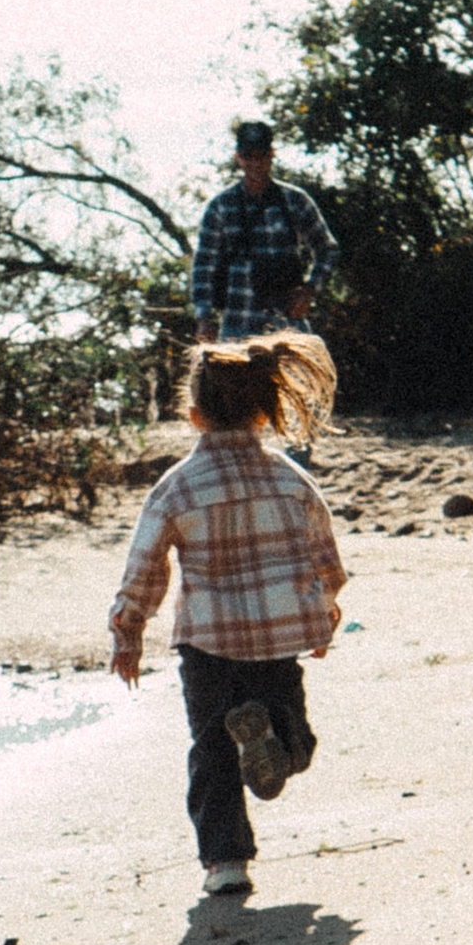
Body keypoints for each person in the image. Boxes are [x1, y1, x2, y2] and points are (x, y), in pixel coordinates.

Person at [108, 331, 345, 899]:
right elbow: (323, 554)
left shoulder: (178, 486)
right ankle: (279, 744)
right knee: (296, 739)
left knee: (211, 749)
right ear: (265, 413)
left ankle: (226, 863)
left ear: (194, 416)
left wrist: (128, 631)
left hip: (208, 644)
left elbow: (147, 564)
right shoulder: (291, 477)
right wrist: (323, 613)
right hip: (276, 639)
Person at [190, 120, 338, 342]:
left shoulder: (295, 201)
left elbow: (328, 249)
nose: (255, 162)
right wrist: (204, 318)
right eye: (249, 155)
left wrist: (309, 290)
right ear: (238, 157)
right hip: (237, 328)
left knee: (312, 375)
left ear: (271, 154)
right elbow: (204, 265)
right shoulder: (220, 206)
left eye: (261, 155)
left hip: (288, 328)